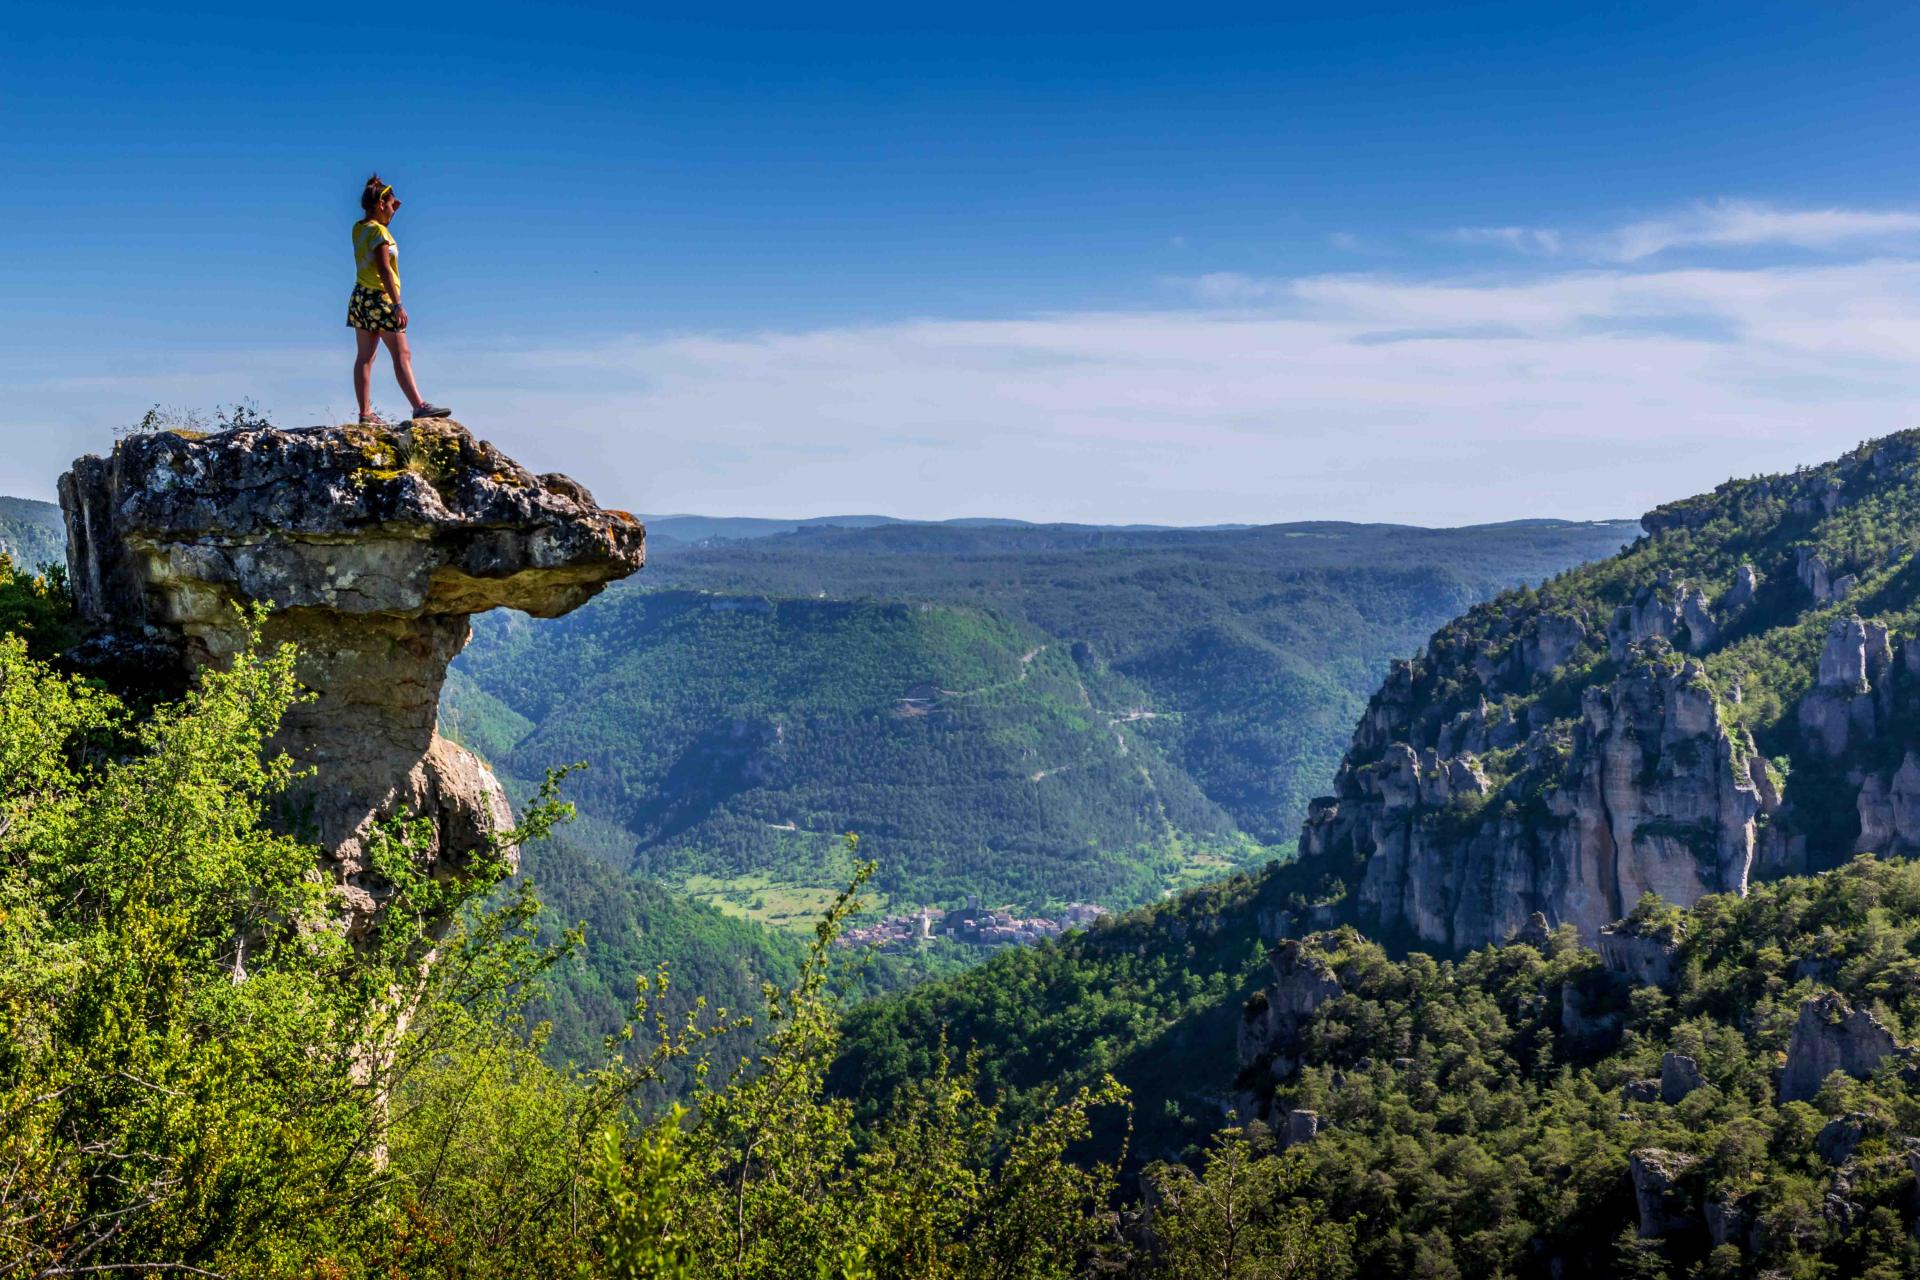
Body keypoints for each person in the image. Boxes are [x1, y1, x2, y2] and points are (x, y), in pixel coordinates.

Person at [349, 174, 450, 423]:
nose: (395, 210)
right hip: (381, 297)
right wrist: (397, 305)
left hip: (361, 296)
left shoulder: (359, 228)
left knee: (365, 357)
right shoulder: (381, 234)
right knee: (402, 353)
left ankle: (365, 414)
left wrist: (386, 197)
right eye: (392, 205)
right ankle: (419, 406)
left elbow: (387, 207)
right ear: (381, 204)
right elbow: (384, 269)